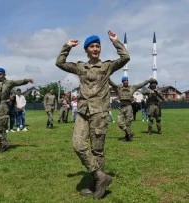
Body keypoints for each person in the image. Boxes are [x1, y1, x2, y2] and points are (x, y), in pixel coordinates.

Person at [55, 30, 130, 199]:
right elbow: (59, 63)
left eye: (98, 46)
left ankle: (97, 185)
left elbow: (125, 58)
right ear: (87, 50)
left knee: (97, 151)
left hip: (99, 113)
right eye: (92, 47)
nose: (95, 49)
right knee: (78, 145)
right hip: (83, 112)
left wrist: (116, 42)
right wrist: (67, 47)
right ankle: (101, 176)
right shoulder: (80, 67)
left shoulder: (107, 66)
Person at [109, 77, 154, 141]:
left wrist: (148, 81)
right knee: (119, 122)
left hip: (129, 107)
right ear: (122, 81)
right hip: (122, 107)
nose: (127, 81)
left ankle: (127, 137)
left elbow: (141, 84)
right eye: (125, 80)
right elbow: (112, 84)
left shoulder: (132, 87)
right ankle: (129, 133)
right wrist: (106, 77)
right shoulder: (119, 87)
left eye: (127, 80)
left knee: (128, 124)